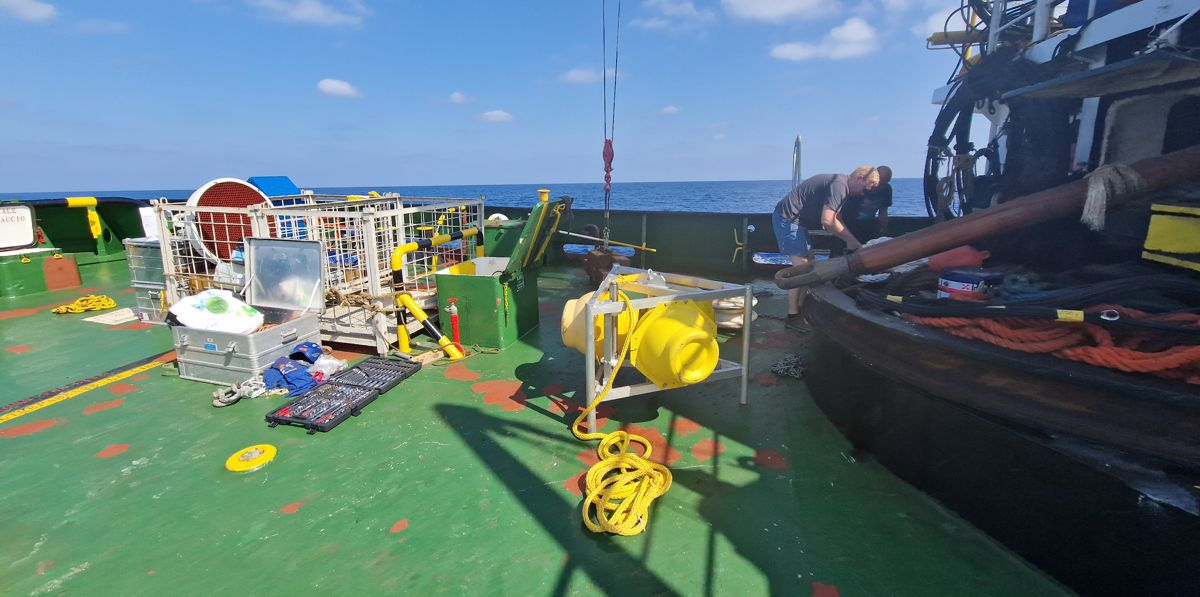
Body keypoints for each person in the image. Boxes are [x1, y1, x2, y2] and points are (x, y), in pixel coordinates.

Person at [772, 165, 879, 320]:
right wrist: (852, 242)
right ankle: (793, 313)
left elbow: (837, 218)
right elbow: (828, 220)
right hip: (788, 218)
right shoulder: (839, 185)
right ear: (860, 178)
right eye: (865, 189)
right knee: (801, 268)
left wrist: (850, 239)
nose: (864, 193)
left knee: (809, 264)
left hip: (800, 222)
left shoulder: (842, 188)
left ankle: (802, 307)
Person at [843, 165, 892, 242]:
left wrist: (883, 229)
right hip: (847, 223)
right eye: (879, 182)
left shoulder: (886, 189)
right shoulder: (860, 186)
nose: (879, 186)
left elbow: (883, 211)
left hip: (868, 224)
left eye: (884, 183)